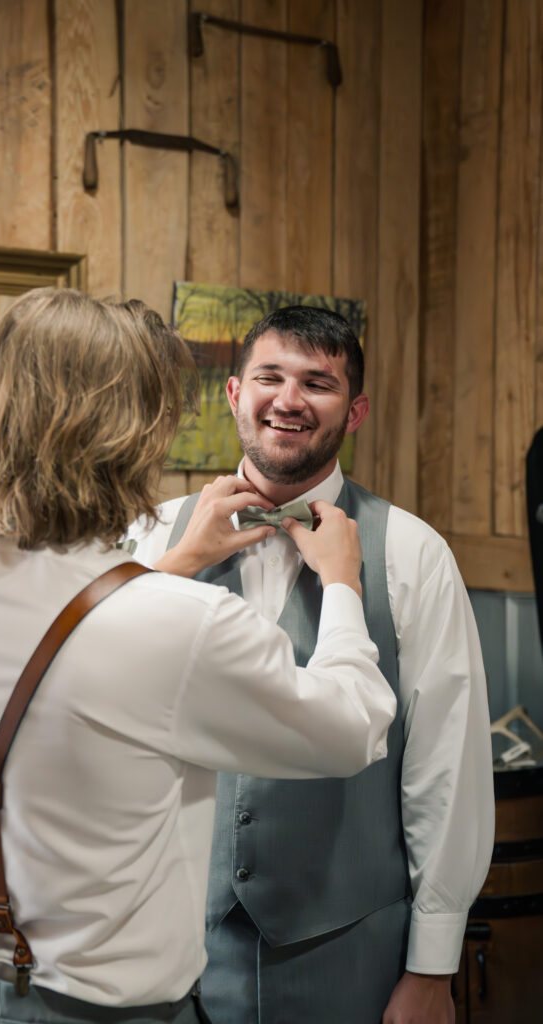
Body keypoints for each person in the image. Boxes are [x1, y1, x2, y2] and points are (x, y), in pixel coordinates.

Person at [0, 289, 397, 1024]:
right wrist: (341, 584)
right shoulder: (179, 621)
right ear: (129, 433)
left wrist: (172, 564)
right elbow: (354, 727)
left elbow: (72, 643)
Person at [128, 305, 495, 1024]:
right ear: (234, 394)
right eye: (268, 376)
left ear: (353, 412)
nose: (288, 400)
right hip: (162, 950)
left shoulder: (413, 553)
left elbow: (445, 768)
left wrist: (431, 966)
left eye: (317, 384)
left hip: (345, 950)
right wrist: (173, 568)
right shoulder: (146, 535)